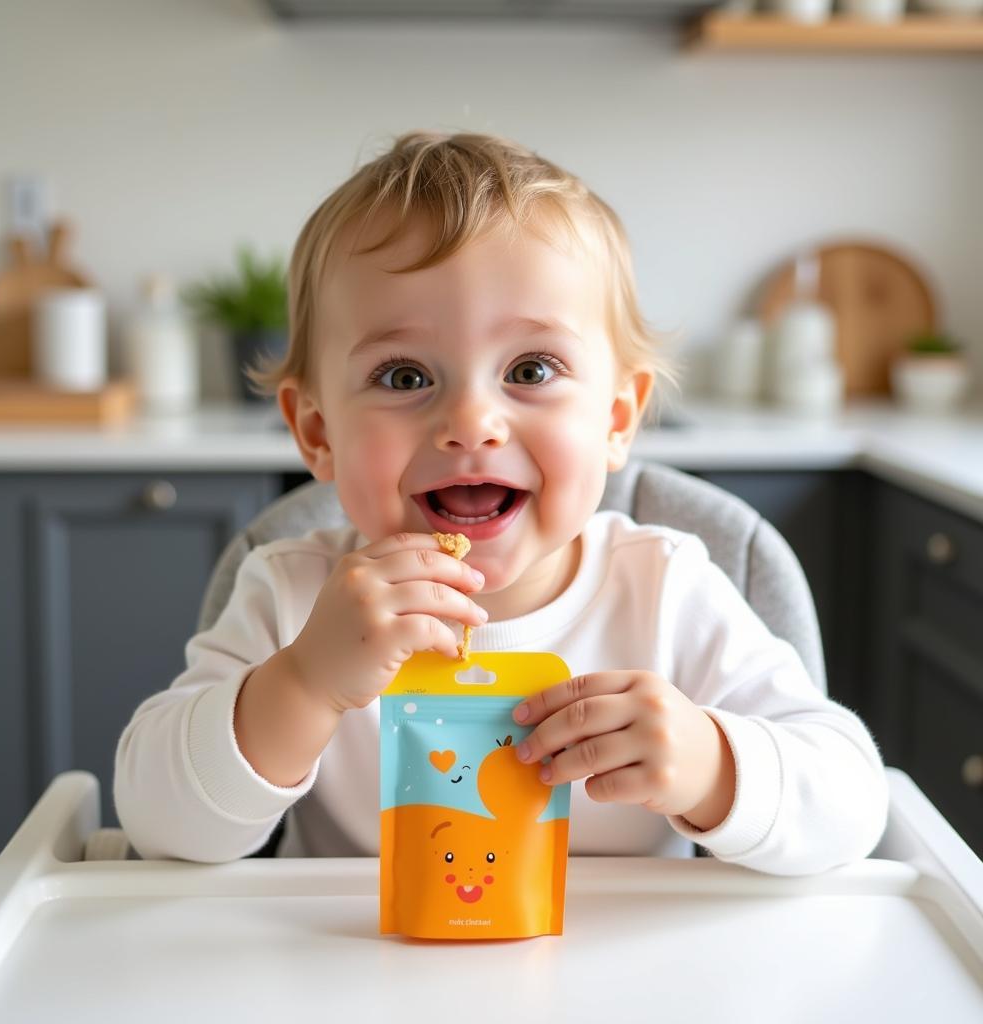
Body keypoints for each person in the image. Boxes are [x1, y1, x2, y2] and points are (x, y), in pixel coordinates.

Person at [114, 131, 887, 874]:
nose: (471, 424)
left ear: (617, 419)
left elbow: (854, 804)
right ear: (316, 432)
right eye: (404, 377)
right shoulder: (293, 596)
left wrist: (711, 763)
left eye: (531, 368)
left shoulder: (666, 590)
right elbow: (157, 827)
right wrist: (304, 685)